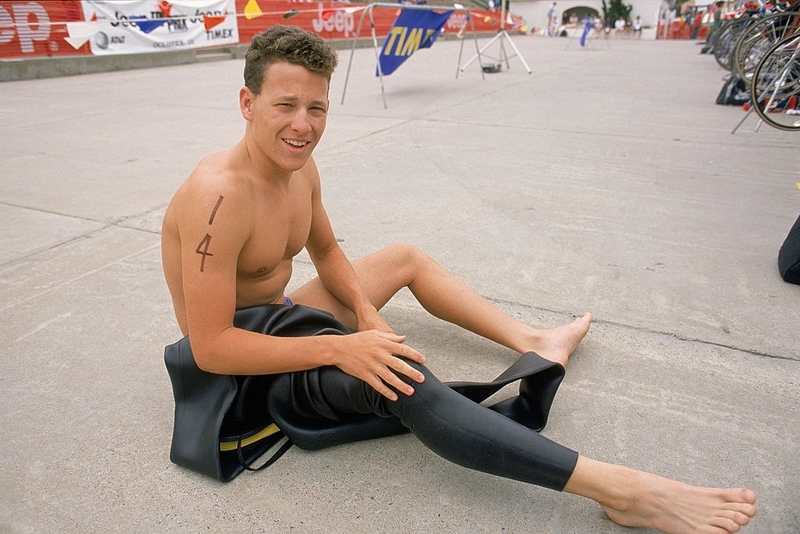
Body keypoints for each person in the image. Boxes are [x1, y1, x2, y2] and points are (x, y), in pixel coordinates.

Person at [161, 25, 757, 534]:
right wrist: (345, 347)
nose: (303, 125)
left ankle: (535, 341)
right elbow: (210, 347)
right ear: (247, 102)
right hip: (242, 369)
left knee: (403, 258)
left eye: (316, 108)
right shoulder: (219, 195)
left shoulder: (299, 165)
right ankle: (619, 490)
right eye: (285, 105)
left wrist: (368, 316)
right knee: (399, 381)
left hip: (278, 312)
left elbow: (326, 248)